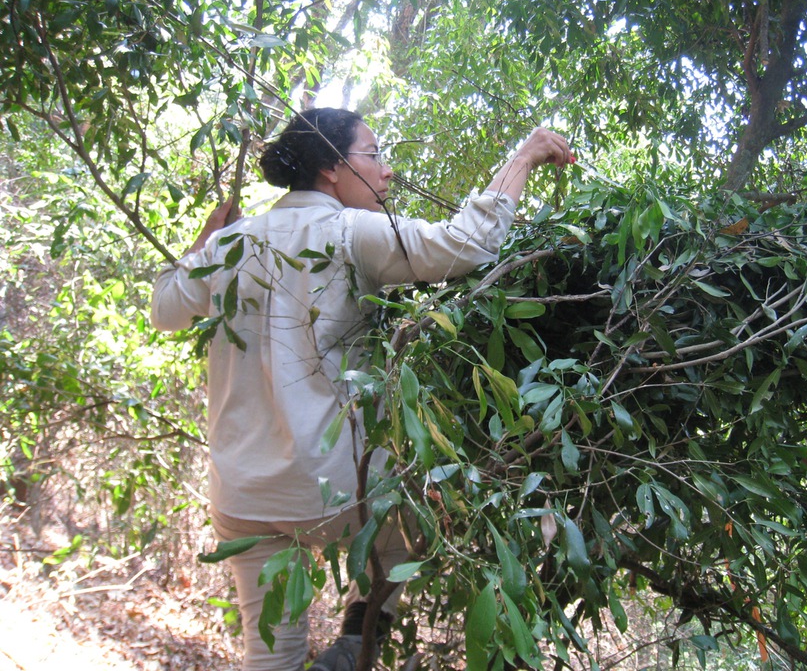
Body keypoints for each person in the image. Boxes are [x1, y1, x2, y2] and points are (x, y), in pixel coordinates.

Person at [150, 107, 572, 671]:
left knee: (268, 652)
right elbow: (465, 245)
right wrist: (524, 157)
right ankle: (355, 638)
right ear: (331, 168)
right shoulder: (351, 233)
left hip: (243, 495)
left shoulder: (233, 244)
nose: (387, 172)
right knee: (417, 508)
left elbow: (165, 307)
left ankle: (338, 649)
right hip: (332, 495)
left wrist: (203, 241)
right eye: (374, 156)